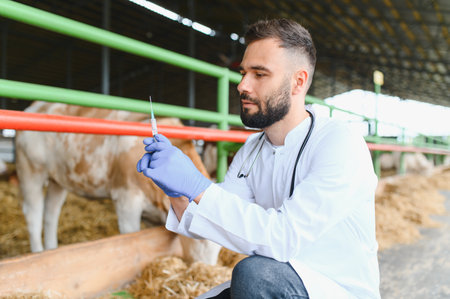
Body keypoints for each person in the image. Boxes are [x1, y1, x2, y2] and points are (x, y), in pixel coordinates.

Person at [137, 19, 380, 299]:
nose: (242, 85)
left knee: (253, 275)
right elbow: (221, 220)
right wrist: (178, 192)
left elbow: (283, 238)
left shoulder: (339, 142)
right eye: (243, 73)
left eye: (259, 74)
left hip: (333, 289)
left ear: (297, 82)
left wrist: (198, 187)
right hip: (276, 281)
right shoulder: (252, 150)